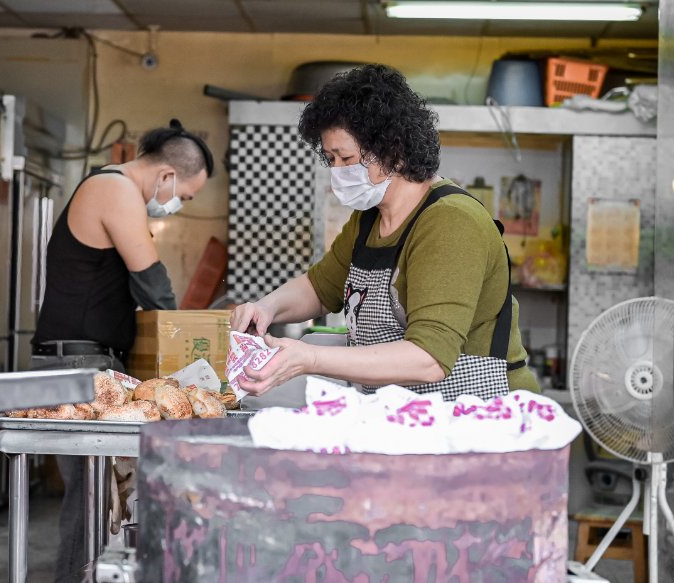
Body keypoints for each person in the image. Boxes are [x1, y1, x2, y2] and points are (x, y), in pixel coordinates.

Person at [230, 64, 538, 400]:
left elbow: (429, 359)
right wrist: (267, 307)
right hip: (406, 414)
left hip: (478, 416)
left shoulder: (450, 222)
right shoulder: (368, 219)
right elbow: (320, 288)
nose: (337, 172)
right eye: (331, 158)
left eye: (345, 158)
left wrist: (310, 358)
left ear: (393, 150)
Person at [30, 119, 214, 583]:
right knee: (91, 496)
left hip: (92, 361)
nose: (178, 204)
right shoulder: (112, 189)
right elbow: (150, 279)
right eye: (184, 196)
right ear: (167, 176)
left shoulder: (118, 192)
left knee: (103, 496)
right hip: (77, 364)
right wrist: (187, 345)